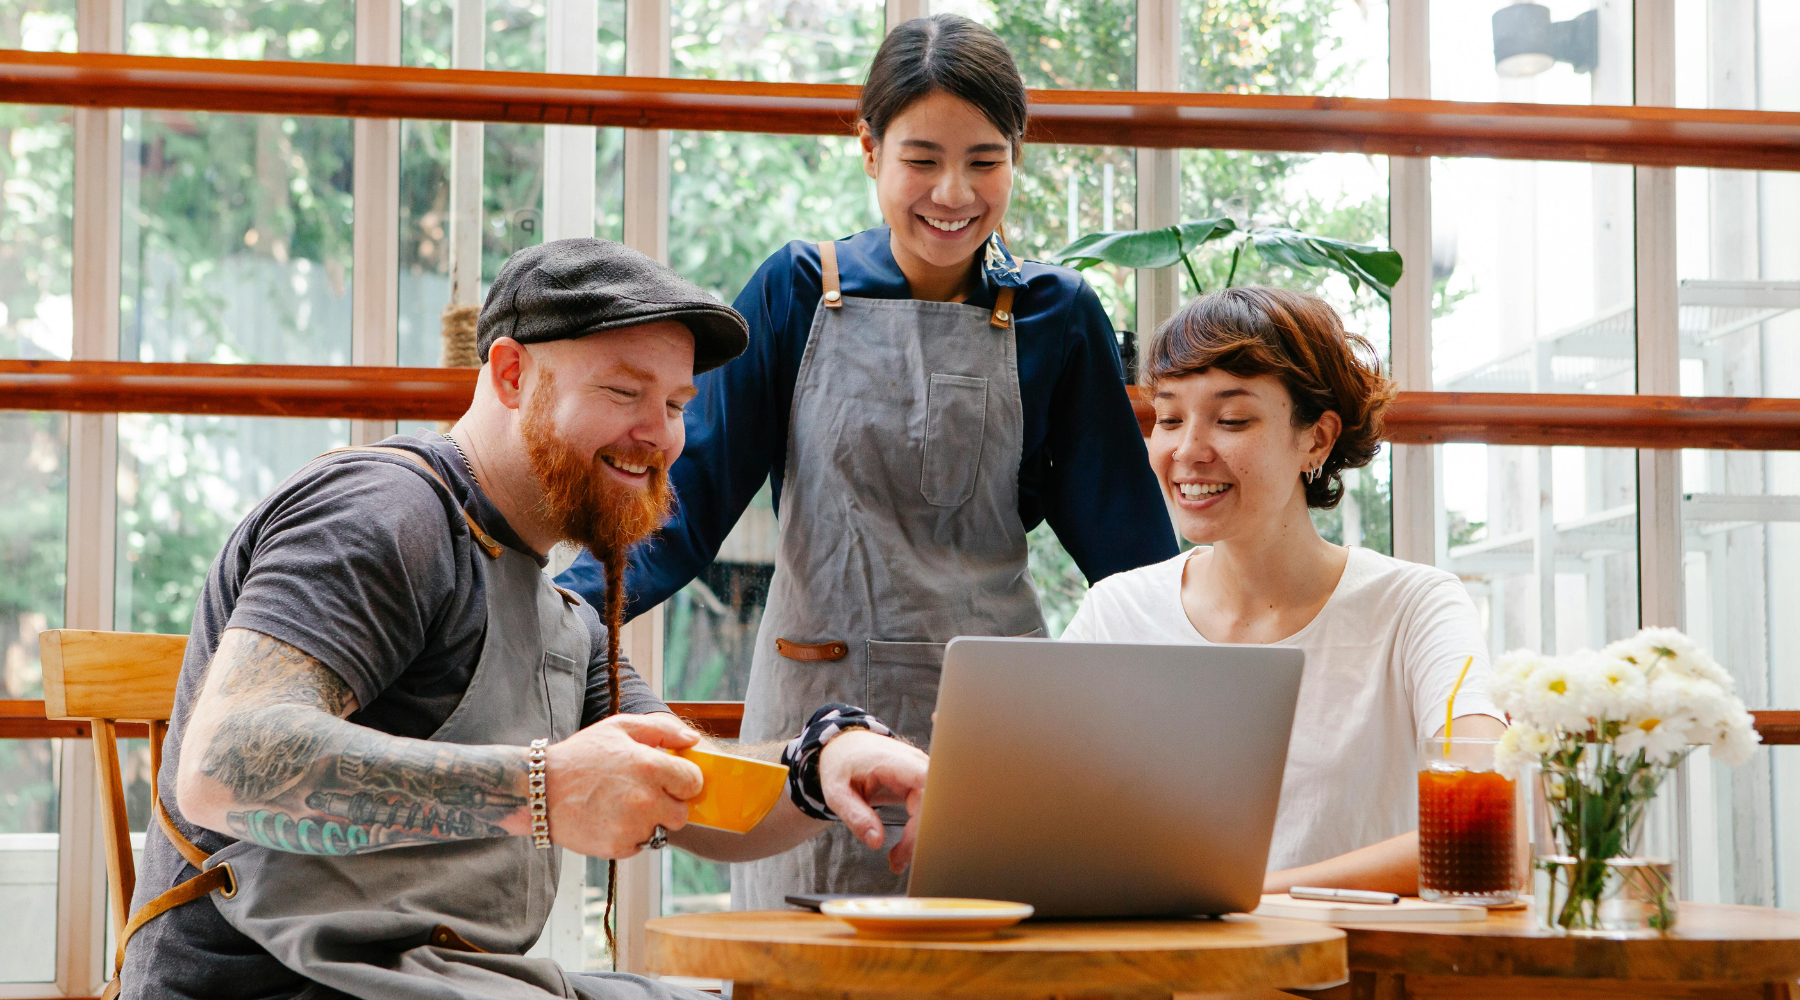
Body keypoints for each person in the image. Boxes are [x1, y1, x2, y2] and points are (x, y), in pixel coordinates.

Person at [121, 239, 930, 1000]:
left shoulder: (560, 612)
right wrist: (544, 788)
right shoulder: (383, 515)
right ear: (510, 374)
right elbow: (226, 765)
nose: (661, 435)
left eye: (678, 403)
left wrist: (820, 762)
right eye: (624, 392)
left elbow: (697, 792)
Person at [558, 13, 1178, 910]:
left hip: (995, 728)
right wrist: (558, 606)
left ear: (1017, 155)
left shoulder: (1059, 314)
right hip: (814, 735)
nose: (954, 192)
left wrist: (1217, 697)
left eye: (985, 159)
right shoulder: (796, 290)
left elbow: (1133, 562)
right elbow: (682, 511)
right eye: (922, 159)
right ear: (869, 151)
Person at [1061, 286, 1506, 895]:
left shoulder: (1414, 608)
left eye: (1232, 419)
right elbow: (1048, 825)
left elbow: (1492, 831)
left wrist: (1241, 899)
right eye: (1168, 418)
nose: (1187, 450)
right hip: (1156, 980)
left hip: (1350, 977)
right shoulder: (1116, 611)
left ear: (1316, 439)